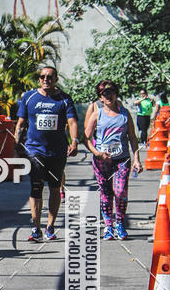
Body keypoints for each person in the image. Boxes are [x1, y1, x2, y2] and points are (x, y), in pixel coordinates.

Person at [14, 65, 79, 242]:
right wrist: (17, 145)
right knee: (36, 187)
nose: (45, 80)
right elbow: (20, 123)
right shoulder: (29, 98)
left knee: (55, 188)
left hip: (57, 151)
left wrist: (74, 141)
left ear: (56, 79)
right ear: (39, 79)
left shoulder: (64, 99)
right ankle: (36, 228)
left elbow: (72, 122)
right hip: (35, 150)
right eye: (42, 77)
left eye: (50, 77)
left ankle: (50, 226)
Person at [85, 79, 142, 240]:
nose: (108, 95)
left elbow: (132, 137)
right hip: (102, 160)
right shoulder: (97, 114)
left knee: (120, 191)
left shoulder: (125, 113)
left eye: (111, 92)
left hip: (122, 159)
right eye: (104, 93)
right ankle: (108, 226)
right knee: (106, 193)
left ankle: (120, 224)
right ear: (100, 97)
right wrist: (97, 153)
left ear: (116, 93)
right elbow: (86, 138)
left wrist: (137, 159)